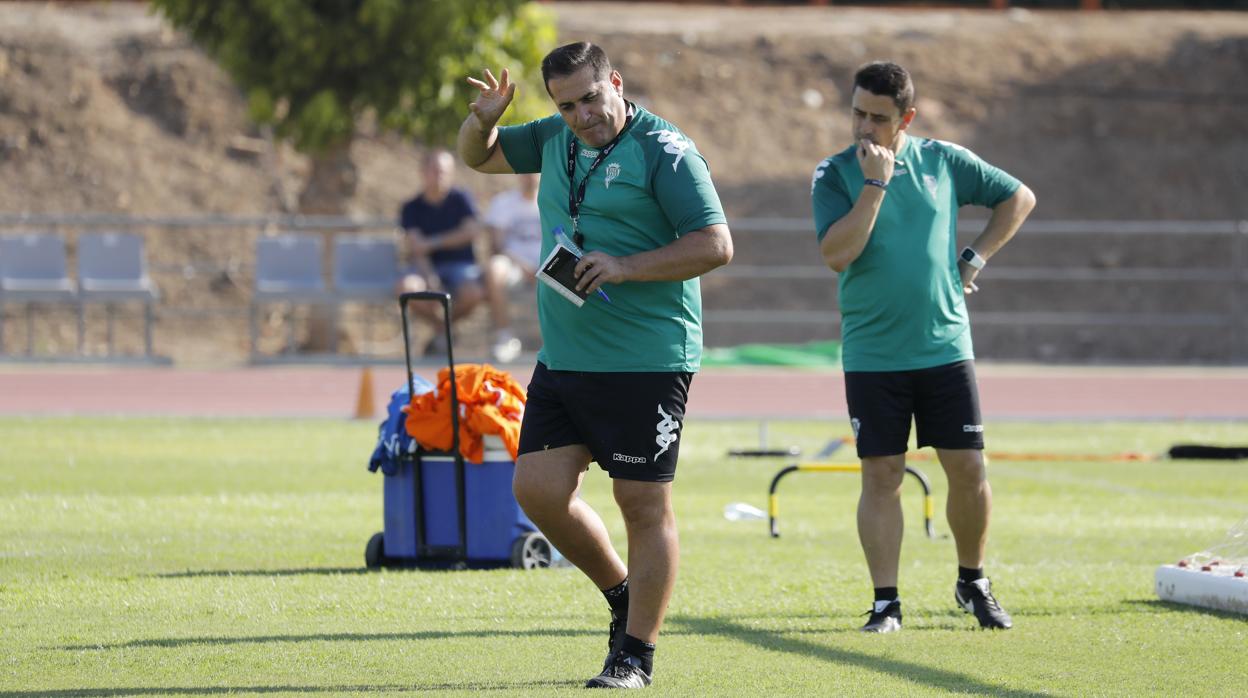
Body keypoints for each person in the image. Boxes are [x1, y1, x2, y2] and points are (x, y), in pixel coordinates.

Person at [458, 41, 732, 688]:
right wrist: (484, 119)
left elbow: (716, 244)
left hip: (647, 357)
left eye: (590, 98)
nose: (581, 115)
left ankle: (636, 654)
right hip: (568, 356)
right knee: (538, 491)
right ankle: (620, 593)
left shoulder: (665, 151)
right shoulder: (555, 135)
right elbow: (479, 157)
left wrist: (626, 267)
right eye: (566, 104)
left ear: (615, 81)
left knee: (640, 503)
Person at [811, 61, 1036, 634]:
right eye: (857, 112)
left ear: (905, 118)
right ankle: (886, 602)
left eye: (878, 118)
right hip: (873, 353)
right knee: (882, 473)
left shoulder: (943, 161)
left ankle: (973, 581)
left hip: (944, 346)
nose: (864, 127)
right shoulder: (834, 174)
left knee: (968, 467)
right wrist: (876, 185)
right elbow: (838, 254)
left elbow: (1018, 198)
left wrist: (975, 258)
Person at [397, 148, 486, 348]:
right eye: (435, 170)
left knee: (475, 292)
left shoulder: (462, 199)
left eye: (445, 171)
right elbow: (415, 246)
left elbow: (471, 231)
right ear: (423, 172)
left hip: (461, 266)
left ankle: (441, 332)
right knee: (407, 288)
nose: (440, 176)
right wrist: (430, 277)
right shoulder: (411, 207)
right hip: (424, 268)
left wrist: (433, 242)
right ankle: (444, 330)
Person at [482, 172, 542, 363]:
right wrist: (524, 266)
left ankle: (564, 338)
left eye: (535, 171)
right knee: (494, 268)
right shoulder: (503, 203)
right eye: (526, 172)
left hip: (547, 266)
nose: (530, 176)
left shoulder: (555, 200)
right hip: (515, 266)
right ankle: (504, 337)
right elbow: (498, 246)